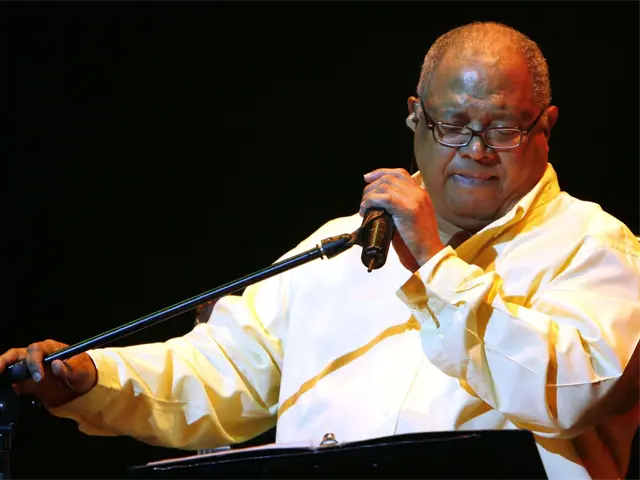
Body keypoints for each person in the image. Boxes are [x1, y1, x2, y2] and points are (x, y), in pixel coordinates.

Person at [1, 21, 639, 479]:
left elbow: (577, 391)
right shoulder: (340, 247)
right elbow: (219, 373)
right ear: (415, 117)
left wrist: (433, 265)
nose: (475, 149)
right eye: (452, 125)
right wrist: (93, 378)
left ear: (545, 126)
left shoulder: (594, 247)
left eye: (501, 127)